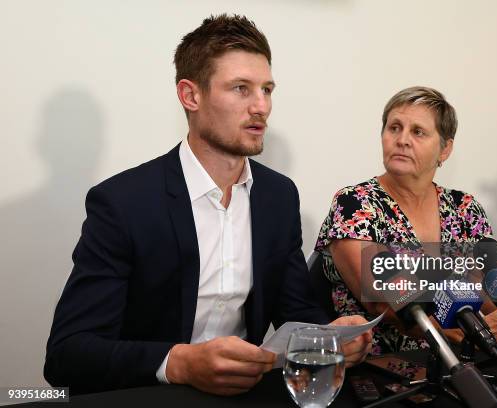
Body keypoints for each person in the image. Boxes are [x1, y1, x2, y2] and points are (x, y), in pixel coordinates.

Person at [44, 14, 371, 396]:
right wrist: (181, 362)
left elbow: (296, 313)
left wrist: (331, 337)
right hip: (148, 395)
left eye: (267, 89)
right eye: (240, 89)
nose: (261, 106)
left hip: (244, 395)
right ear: (190, 95)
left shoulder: (278, 197)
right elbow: (68, 355)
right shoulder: (123, 203)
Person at [315, 86, 497, 355]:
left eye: (418, 132)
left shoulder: (464, 208)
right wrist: (477, 328)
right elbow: (385, 305)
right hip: (382, 364)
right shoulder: (355, 204)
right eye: (394, 128)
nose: (402, 140)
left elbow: (486, 296)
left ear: (445, 149)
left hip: (467, 358)